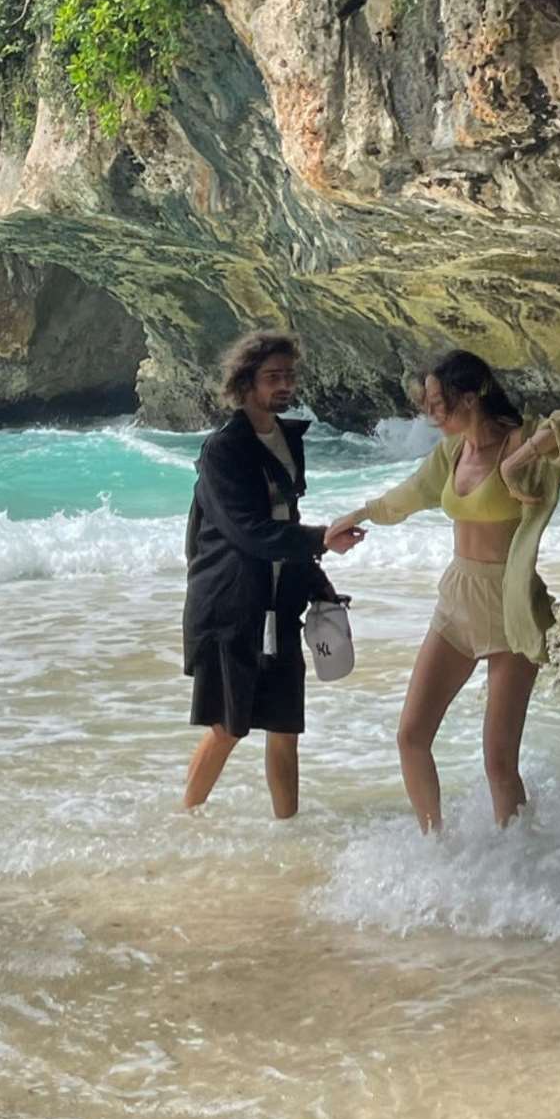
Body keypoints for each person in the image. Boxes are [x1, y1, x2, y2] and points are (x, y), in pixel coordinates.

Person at [325, 349, 560, 832]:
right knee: (411, 737)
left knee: (499, 764)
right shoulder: (451, 453)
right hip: (456, 601)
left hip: (509, 605)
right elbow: (408, 495)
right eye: (427, 403)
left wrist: (517, 463)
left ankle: (519, 860)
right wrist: (359, 514)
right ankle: (436, 848)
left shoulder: (520, 440)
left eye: (439, 402)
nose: (430, 413)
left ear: (471, 397)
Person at [182, 329, 364, 817]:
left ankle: (289, 829)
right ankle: (185, 820)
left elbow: (285, 518)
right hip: (231, 606)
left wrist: (317, 582)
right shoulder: (223, 450)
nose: (285, 385)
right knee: (228, 726)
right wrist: (320, 539)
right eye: (272, 377)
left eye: (289, 376)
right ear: (245, 383)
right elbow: (248, 532)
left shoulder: (288, 438)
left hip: (280, 603)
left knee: (285, 727)